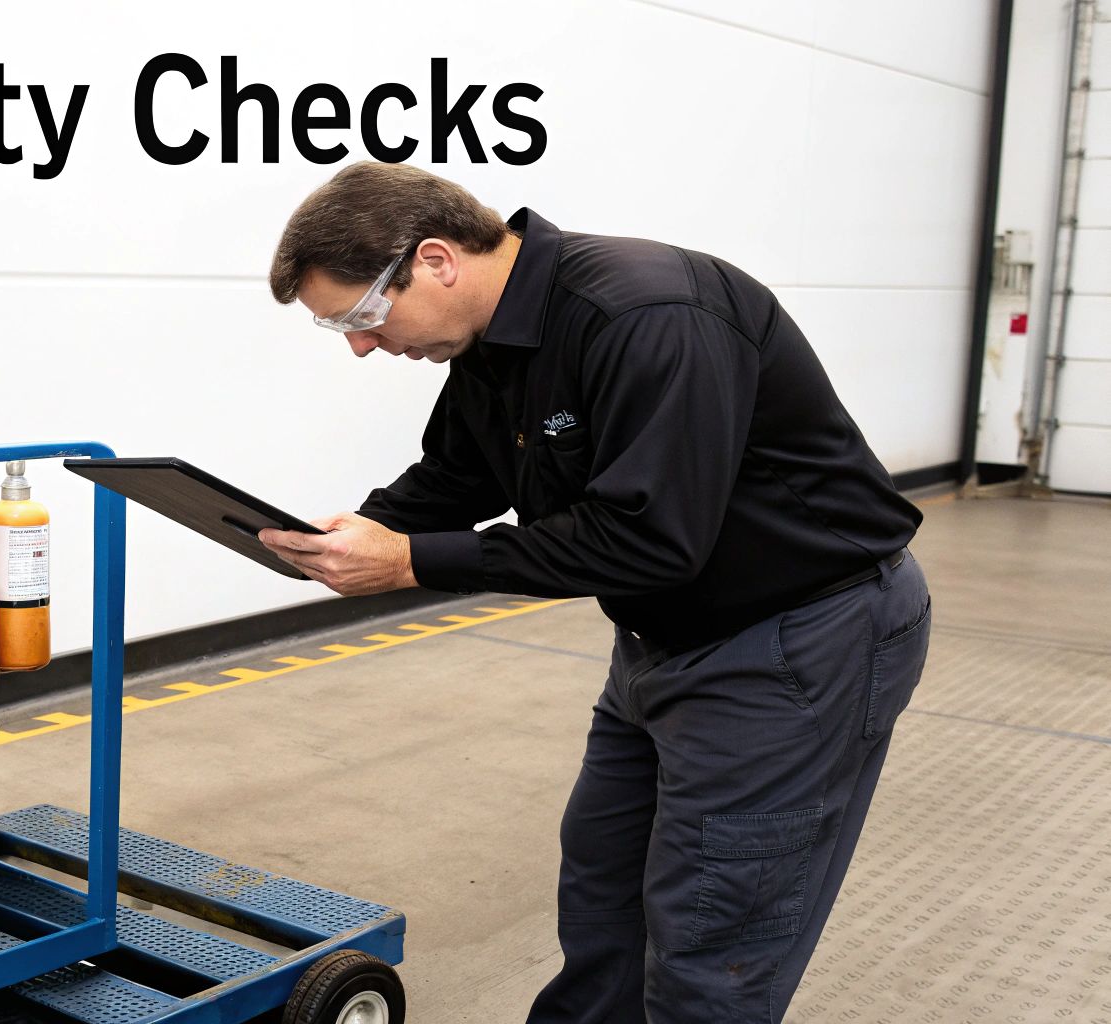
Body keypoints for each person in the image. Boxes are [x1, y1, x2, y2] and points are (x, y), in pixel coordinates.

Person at [257, 161, 933, 1023]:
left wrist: (411, 563)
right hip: (662, 642)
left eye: (362, 316)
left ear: (434, 260)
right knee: (604, 893)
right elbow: (458, 475)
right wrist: (348, 535)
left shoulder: (648, 315)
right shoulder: (493, 343)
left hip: (794, 641)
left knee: (713, 939)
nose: (361, 345)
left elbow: (651, 539)